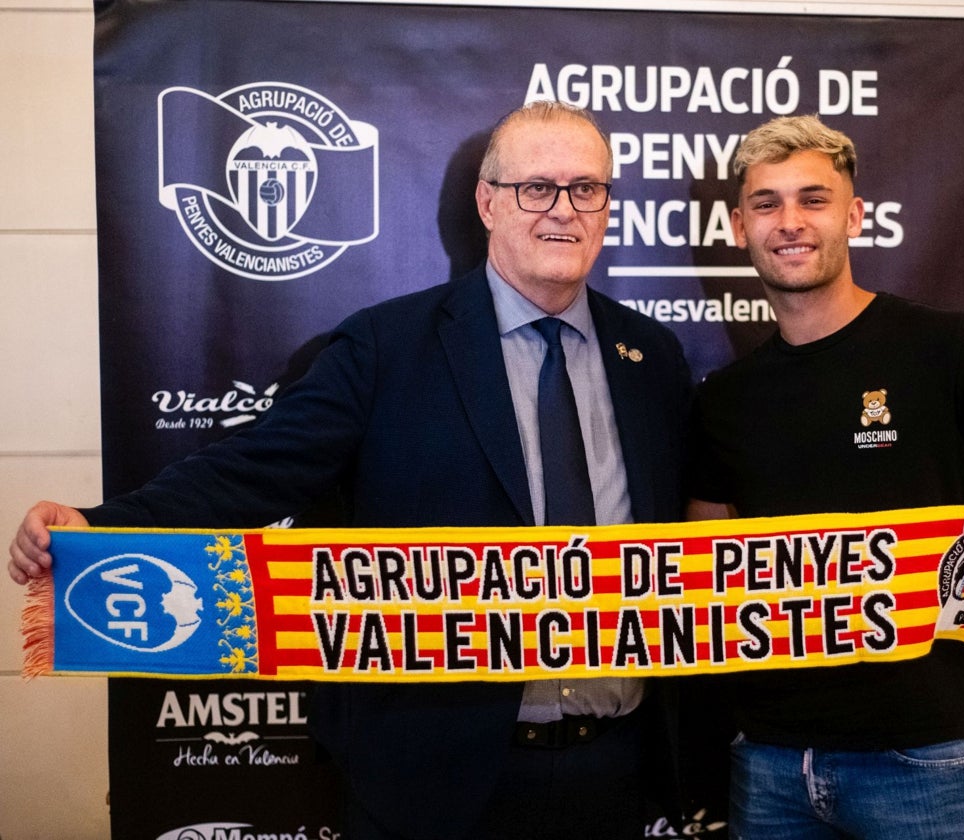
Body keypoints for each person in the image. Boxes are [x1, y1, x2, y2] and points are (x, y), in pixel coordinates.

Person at [9, 101, 693, 840]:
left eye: (586, 188)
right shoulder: (383, 346)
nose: (563, 210)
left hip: (617, 775)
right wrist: (100, 528)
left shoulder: (650, 357)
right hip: (430, 778)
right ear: (489, 202)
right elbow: (253, 473)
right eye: (538, 188)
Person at [685, 114, 964, 840]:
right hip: (770, 761)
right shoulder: (724, 397)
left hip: (920, 758)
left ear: (854, 215)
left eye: (813, 199)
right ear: (740, 226)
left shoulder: (944, 348)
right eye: (767, 203)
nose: (790, 223)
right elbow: (700, 560)